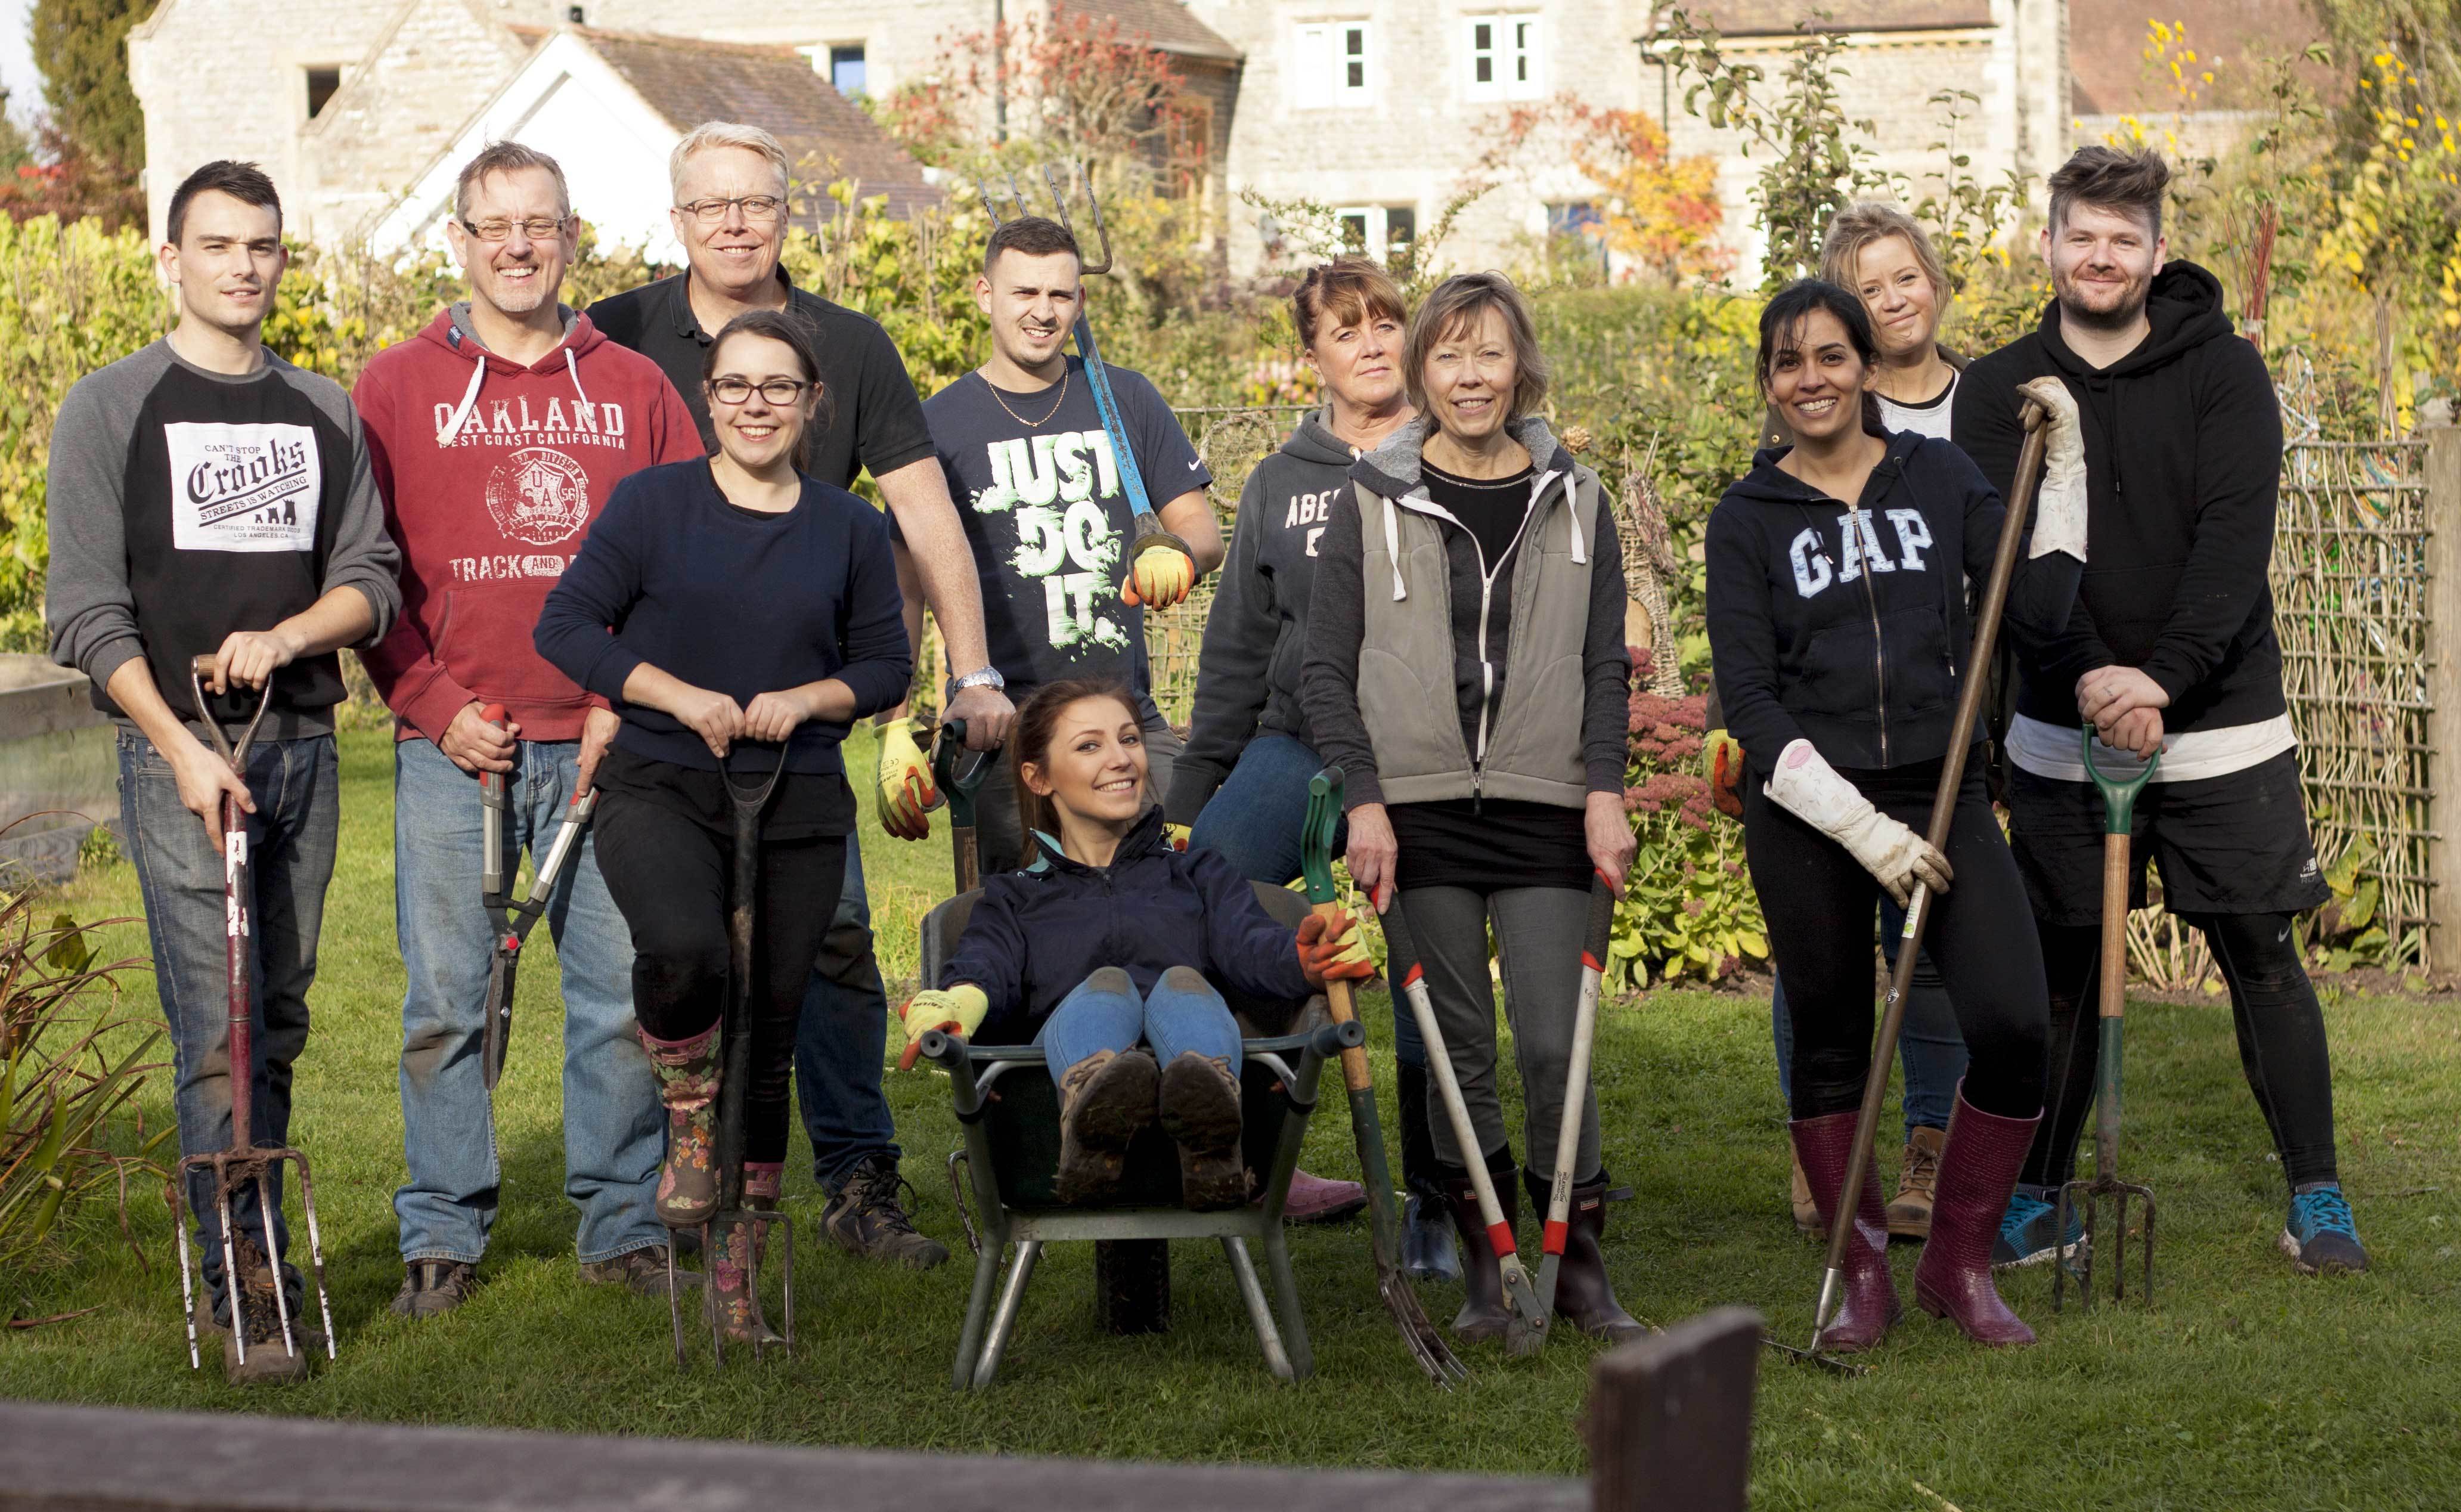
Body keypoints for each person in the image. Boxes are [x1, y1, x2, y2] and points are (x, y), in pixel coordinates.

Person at [589, 123, 1005, 1268]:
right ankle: (651, 1197)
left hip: (799, 721)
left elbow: (924, 514)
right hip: (659, 718)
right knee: (661, 955)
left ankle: (856, 1178)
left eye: (757, 204)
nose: (735, 223)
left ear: (787, 217)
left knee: (822, 944)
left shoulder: (850, 347)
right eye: (711, 205)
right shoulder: (618, 336)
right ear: (676, 219)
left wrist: (965, 675)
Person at [1954, 146, 2368, 1276]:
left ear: (2154, 252)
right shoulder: (1998, 389)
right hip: (2057, 723)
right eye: (2079, 234)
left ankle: (2315, 1199)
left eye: (2122, 238)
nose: (2099, 255)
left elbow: (2234, 542)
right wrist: (2091, 674)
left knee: (2260, 951)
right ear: (2046, 245)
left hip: (2220, 720)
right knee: (2065, 968)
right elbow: (2010, 553)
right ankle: (2039, 1195)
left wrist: (2163, 678)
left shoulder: (2224, 373)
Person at [44, 160, 402, 1383]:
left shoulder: (325, 411)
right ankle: (244, 1281)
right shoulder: (109, 409)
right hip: (183, 762)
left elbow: (370, 576)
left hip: (299, 748)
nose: (244, 266)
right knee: (217, 1033)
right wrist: (181, 745)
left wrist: (292, 635)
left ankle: (257, 1239)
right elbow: (85, 613)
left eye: (263, 245)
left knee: (281, 1020)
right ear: (170, 260)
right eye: (218, 245)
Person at [354, 142, 706, 1317]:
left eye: (540, 225)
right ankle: (443, 1232)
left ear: (570, 239)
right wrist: (433, 705)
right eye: (494, 225)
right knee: (449, 1000)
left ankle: (618, 1220)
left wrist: (624, 695)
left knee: (616, 990)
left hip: (612, 742)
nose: (517, 245)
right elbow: (364, 573)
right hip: (461, 747)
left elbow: (685, 557)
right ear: (458, 240)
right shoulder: (395, 386)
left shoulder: (638, 387)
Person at [1706, 278, 2087, 1351]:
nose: (1811, 379)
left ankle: (1957, 1267)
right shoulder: (1745, 520)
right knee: (1830, 1043)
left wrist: (2063, 471)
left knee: (2012, 1026)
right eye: (1788, 363)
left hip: (1940, 784)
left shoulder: (1937, 476)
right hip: (1809, 807)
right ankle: (1862, 1273)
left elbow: (2040, 604)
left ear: (1865, 369)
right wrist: (1859, 829)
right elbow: (1749, 700)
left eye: (1831, 356)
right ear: (1768, 387)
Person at [536, 309, 911, 1339]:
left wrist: (812, 698)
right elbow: (565, 624)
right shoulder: (653, 505)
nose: (756, 405)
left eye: (778, 388)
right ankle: (688, 1112)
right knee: (688, 953)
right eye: (736, 386)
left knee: (774, 1022)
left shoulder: (848, 525)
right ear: (707, 398)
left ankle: (741, 1255)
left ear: (810, 404)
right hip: (662, 783)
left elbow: (887, 664)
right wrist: (673, 694)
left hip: (793, 797)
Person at [1301, 271, 1643, 1344]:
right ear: (1420, 372)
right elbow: (1324, 668)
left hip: (1546, 806)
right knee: (1453, 1051)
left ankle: (1575, 1264)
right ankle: (1491, 1275)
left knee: (1553, 1043)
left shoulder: (1576, 499)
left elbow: (1602, 664)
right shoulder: (1369, 499)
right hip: (1417, 811)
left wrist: (1603, 792)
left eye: (1488, 353)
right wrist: (1364, 801)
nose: (1468, 376)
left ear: (1520, 365)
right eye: (1447, 355)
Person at [1720, 202, 1981, 1241]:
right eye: (1864, 287)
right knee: (1816, 962)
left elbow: (2007, 571)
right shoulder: (1788, 447)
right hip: (1817, 752)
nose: (1889, 300)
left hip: (1933, 739)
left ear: (1932, 283)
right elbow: (1760, 614)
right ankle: (1822, 1141)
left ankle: (1927, 1139)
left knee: (1924, 945)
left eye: (1901, 277)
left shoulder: (1986, 409)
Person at [1164, 259, 1428, 1242]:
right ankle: (1256, 1150)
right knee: (1199, 904)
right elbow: (1236, 646)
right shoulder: (1281, 479)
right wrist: (1192, 790)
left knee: (1421, 968)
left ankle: (1439, 1199)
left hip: (1420, 758)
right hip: (1297, 749)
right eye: (1343, 330)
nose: (1368, 344)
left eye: (1384, 323)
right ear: (1309, 355)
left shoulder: (1454, 453)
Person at [897, 679, 1372, 1208]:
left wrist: (1302, 959)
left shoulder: (1198, 875)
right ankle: (1091, 1113)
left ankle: (1211, 1135)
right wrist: (959, 1001)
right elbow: (985, 965)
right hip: (1048, 1117)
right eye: (1090, 746)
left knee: (1182, 984)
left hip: (1193, 1061)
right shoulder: (1015, 899)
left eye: (1129, 739)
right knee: (1109, 986)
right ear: (1038, 778)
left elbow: (1252, 944)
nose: (1121, 759)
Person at [921, 214, 1225, 876]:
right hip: (1007, 722)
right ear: (984, 294)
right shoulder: (940, 423)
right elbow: (905, 575)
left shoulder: (1126, 398)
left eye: (1060, 295)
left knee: (1177, 876)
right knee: (1025, 919)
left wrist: (1176, 553)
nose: (1043, 311)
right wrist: (896, 723)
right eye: (1024, 293)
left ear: (1080, 302)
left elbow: (1202, 529)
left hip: (1124, 712)